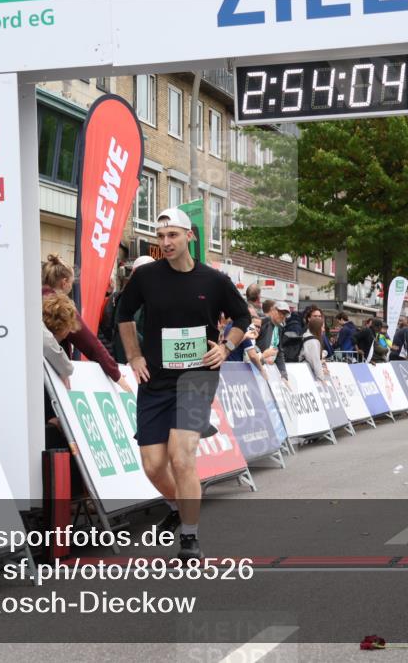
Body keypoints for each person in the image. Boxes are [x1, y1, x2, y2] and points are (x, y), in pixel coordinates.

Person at [116, 207, 251, 562]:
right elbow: (123, 313)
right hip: (156, 379)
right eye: (160, 237)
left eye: (172, 235)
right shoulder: (146, 277)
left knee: (181, 457)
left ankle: (190, 540)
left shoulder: (214, 280)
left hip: (196, 378)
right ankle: (178, 506)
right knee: (153, 465)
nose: (166, 242)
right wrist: (134, 356)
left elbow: (243, 316)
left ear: (189, 236)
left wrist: (227, 347)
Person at [42, 253, 131, 393]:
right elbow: (90, 343)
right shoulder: (61, 307)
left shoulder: (31, 299)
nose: (70, 288)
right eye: (71, 283)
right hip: (51, 373)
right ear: (64, 282)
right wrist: (117, 375)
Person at [257, 300, 290, 381]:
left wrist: (283, 374)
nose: (283, 316)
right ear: (272, 310)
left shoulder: (279, 328)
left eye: (285, 314)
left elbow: (279, 352)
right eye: (280, 312)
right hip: (256, 369)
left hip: (269, 370)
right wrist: (262, 356)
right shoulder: (262, 323)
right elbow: (250, 344)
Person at [302, 315, 328, 380]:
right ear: (317, 327)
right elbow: (315, 361)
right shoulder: (313, 341)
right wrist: (321, 378)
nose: (323, 330)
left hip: (305, 370)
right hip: (308, 374)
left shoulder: (307, 337)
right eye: (322, 327)